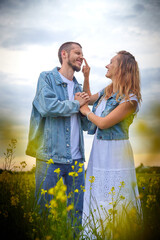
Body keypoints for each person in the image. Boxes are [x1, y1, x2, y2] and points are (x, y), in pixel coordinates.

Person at [26, 42, 90, 227]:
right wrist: (77, 105)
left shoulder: (79, 89)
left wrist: (86, 103)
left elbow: (85, 123)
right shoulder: (46, 78)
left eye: (82, 53)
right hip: (50, 156)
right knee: (43, 210)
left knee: (77, 212)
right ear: (64, 54)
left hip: (76, 159)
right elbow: (48, 107)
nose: (81, 57)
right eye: (77, 52)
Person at [80, 51, 142, 236]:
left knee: (116, 195)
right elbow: (88, 98)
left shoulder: (131, 99)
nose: (107, 66)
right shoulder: (107, 91)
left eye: (111, 62)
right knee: (97, 193)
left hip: (116, 152)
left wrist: (85, 112)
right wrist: (86, 76)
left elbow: (104, 123)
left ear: (121, 68)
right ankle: (94, 234)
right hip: (99, 150)